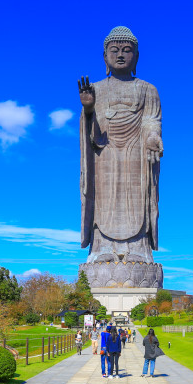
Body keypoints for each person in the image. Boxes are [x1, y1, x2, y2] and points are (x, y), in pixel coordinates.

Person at [78, 26, 162, 266]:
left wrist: (152, 138)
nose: (121, 55)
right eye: (114, 50)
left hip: (136, 151)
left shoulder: (148, 90)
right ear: (105, 56)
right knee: (103, 199)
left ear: (136, 56)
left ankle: (139, 249)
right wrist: (88, 109)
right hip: (105, 153)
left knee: (138, 196)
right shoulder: (95, 89)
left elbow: (151, 121)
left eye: (127, 50)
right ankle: (102, 248)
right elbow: (90, 132)